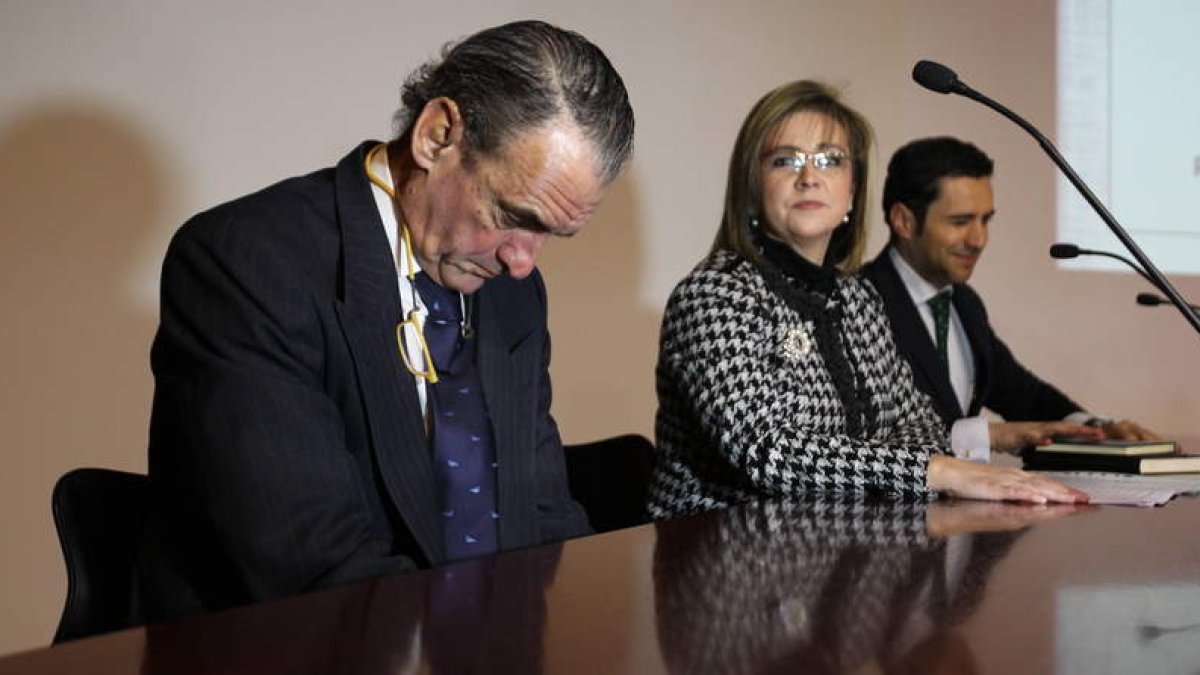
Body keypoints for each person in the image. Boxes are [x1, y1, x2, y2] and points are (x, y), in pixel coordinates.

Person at [138, 20, 635, 621]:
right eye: (513, 214)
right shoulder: (246, 263)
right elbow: (317, 572)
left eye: (553, 234)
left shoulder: (513, 296)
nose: (522, 262)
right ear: (437, 135)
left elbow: (543, 518)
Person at [649, 81, 1084, 520]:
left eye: (830, 160)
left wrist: (958, 459)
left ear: (852, 193)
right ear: (752, 186)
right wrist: (937, 470)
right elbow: (768, 450)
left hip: (839, 550)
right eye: (785, 161)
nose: (809, 176)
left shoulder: (859, 299)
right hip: (720, 559)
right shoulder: (714, 295)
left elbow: (917, 425)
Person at [861, 137, 1158, 462]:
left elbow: (1023, 395)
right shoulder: (855, 306)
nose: (979, 239)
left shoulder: (963, 303)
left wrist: (1095, 429)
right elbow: (870, 436)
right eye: (960, 222)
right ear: (904, 220)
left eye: (985, 220)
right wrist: (990, 436)